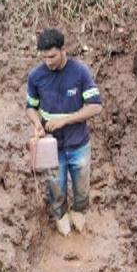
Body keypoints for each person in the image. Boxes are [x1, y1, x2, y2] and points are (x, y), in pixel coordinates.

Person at [25, 28, 104, 235]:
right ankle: (60, 215)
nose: (48, 62)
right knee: (55, 184)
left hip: (78, 144)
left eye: (52, 56)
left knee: (82, 185)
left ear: (63, 50)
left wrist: (65, 121)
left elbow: (96, 106)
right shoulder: (36, 76)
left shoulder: (80, 72)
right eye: (44, 58)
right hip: (52, 146)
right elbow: (30, 107)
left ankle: (79, 211)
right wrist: (37, 123)